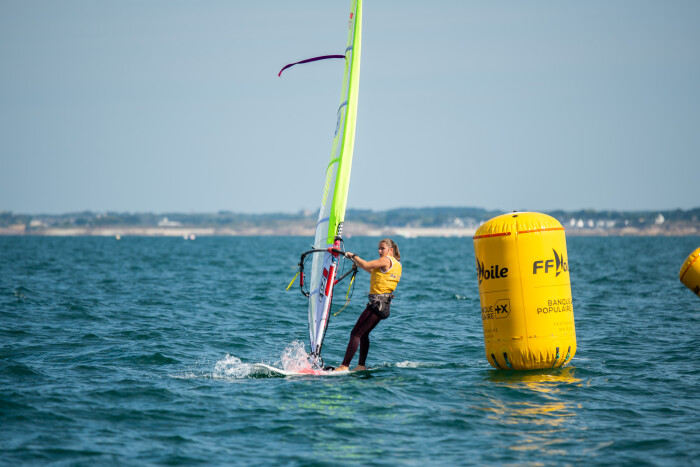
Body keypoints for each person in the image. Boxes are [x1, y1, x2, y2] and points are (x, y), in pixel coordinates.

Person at [334, 238, 402, 371]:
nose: (380, 251)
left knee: (355, 333)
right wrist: (357, 263)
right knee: (363, 334)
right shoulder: (396, 264)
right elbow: (373, 271)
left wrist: (353, 256)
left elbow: (366, 265)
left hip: (377, 305)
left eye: (382, 248)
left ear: (390, 250)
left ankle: (344, 366)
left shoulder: (386, 259)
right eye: (379, 248)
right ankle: (361, 366)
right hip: (384, 306)